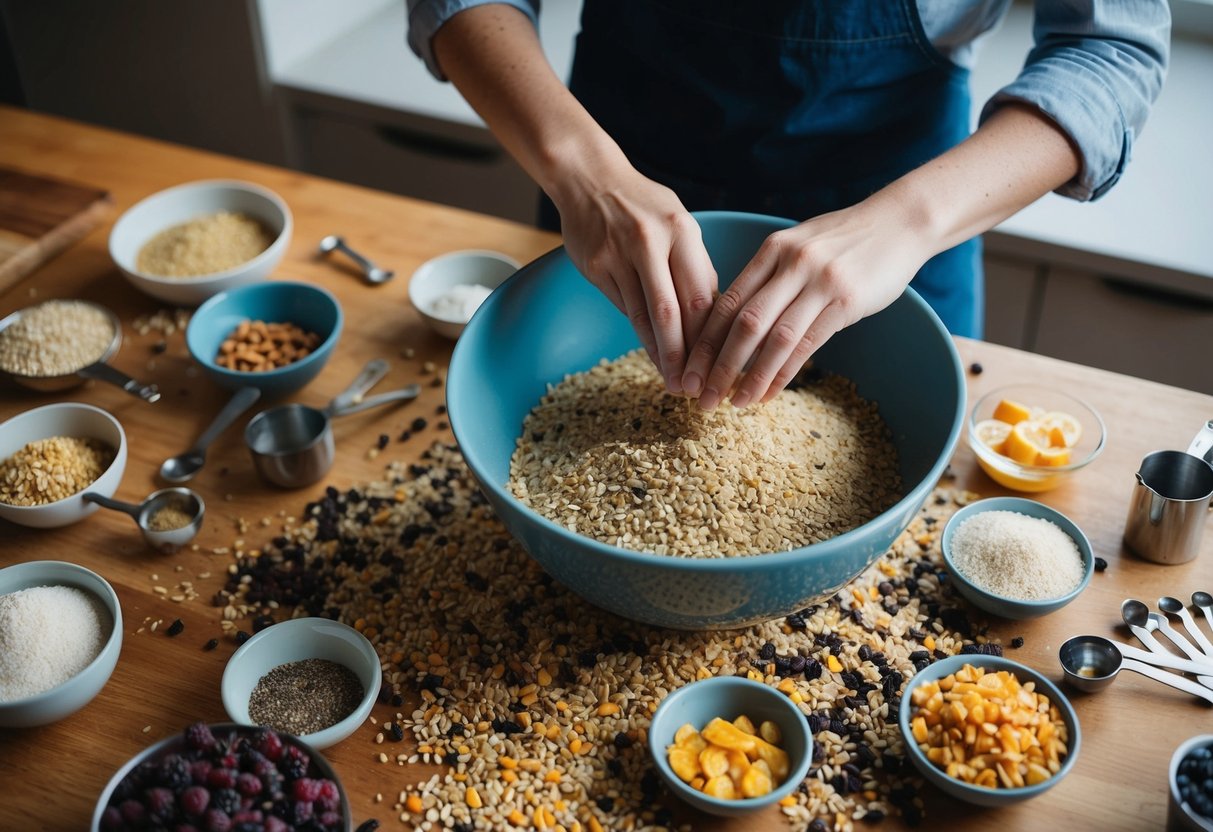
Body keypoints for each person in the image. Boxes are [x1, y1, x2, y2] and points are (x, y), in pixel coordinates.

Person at [406, 1, 1169, 410]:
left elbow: (1111, 50)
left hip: (898, 200)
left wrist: (906, 223)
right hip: (616, 162)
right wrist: (579, 169)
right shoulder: (594, 175)